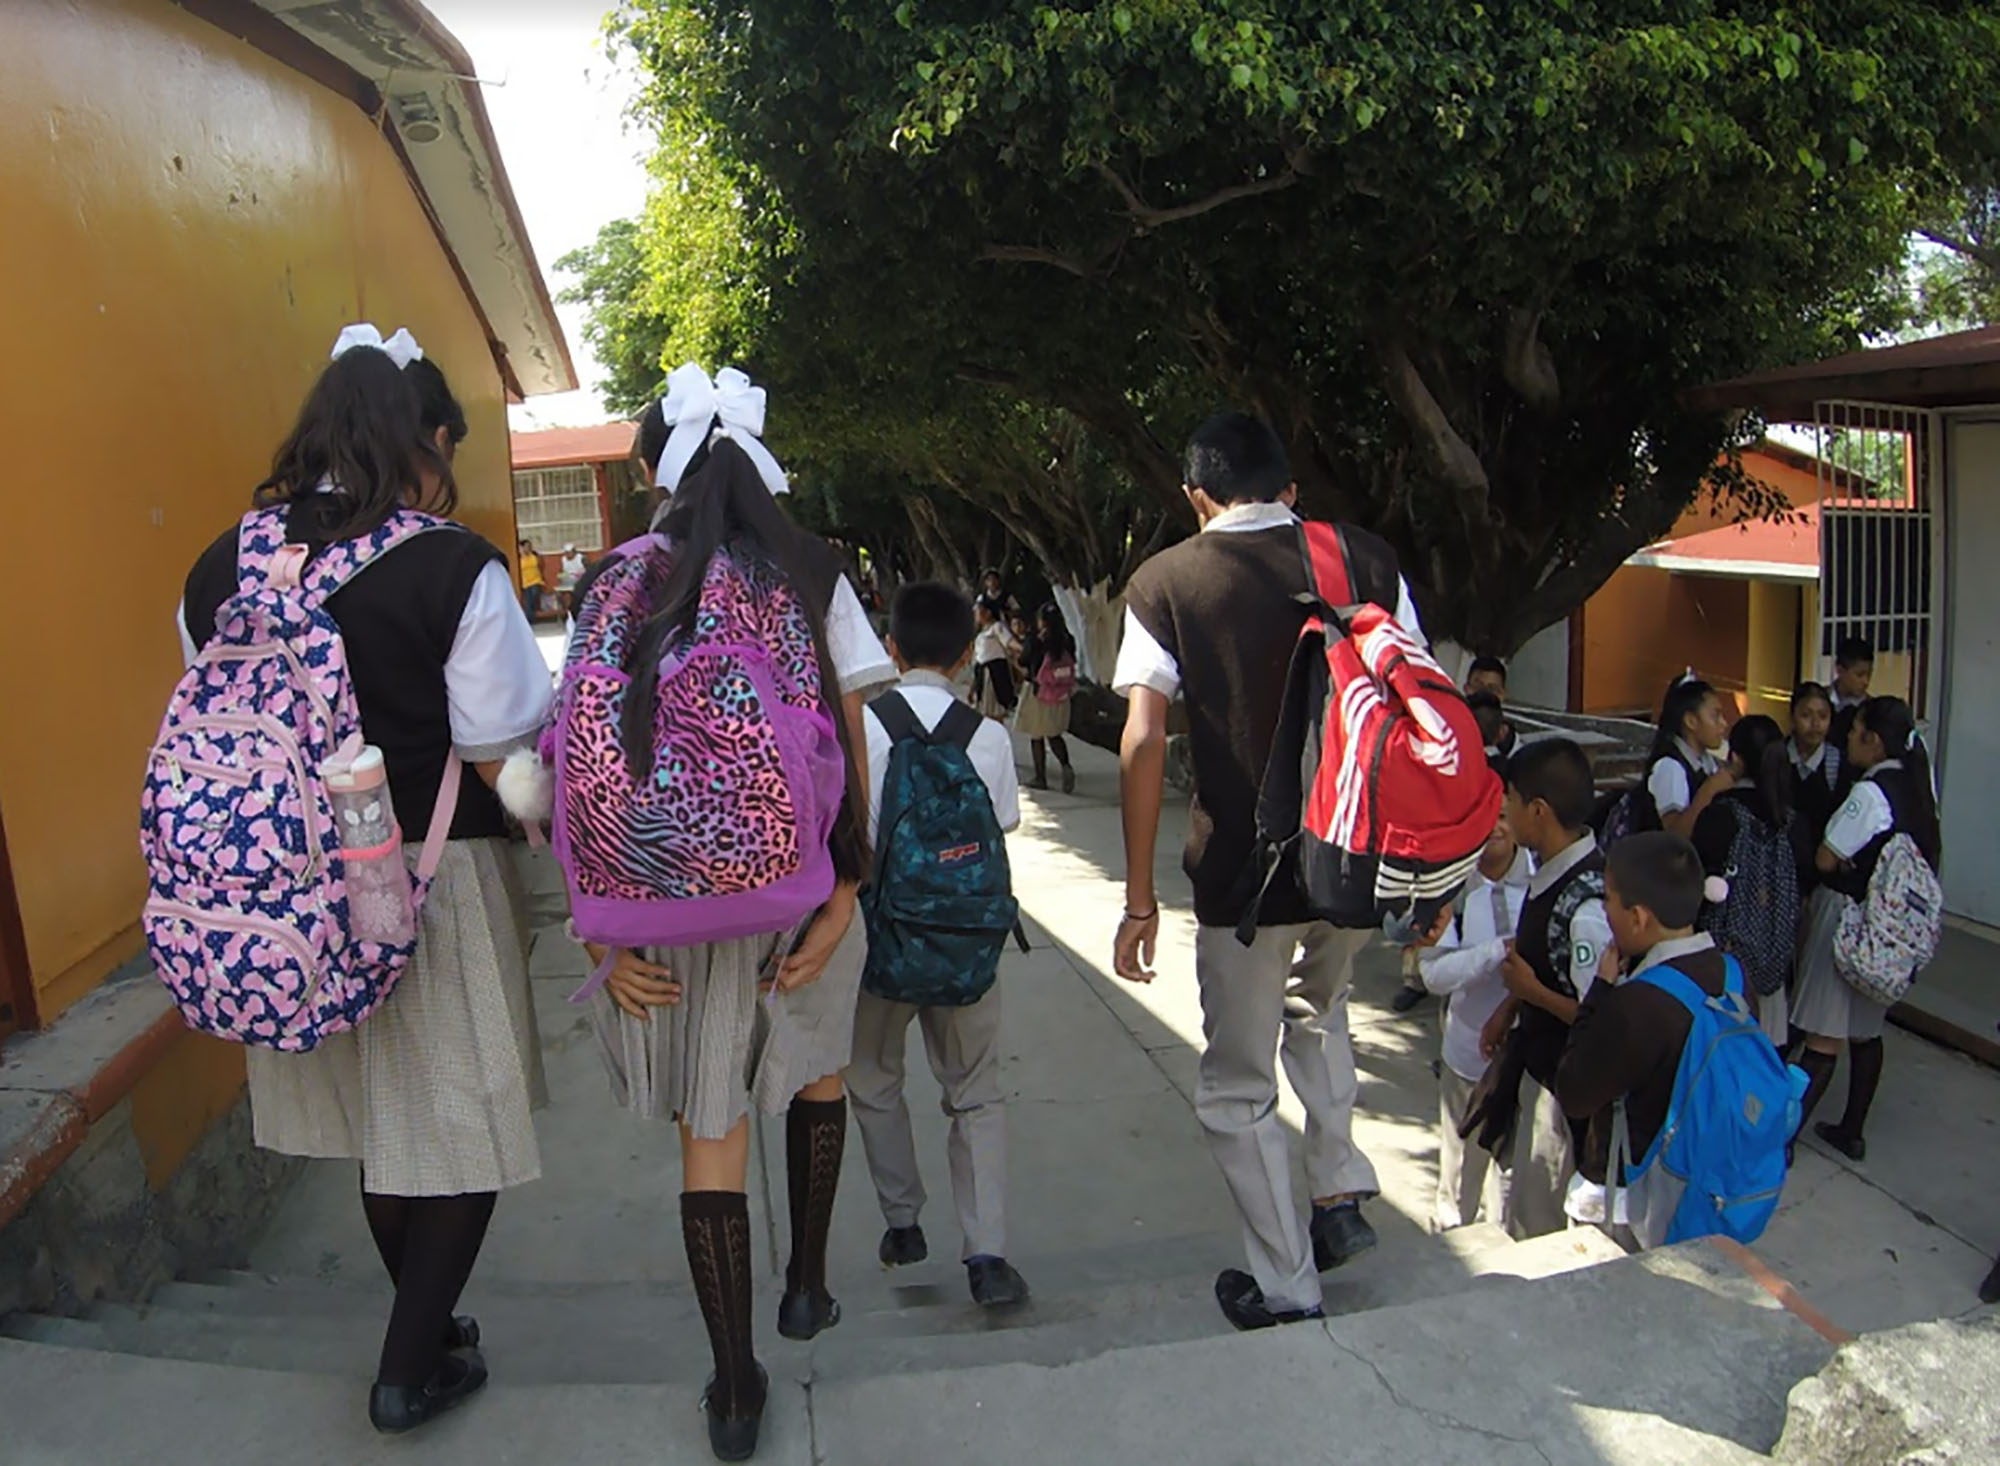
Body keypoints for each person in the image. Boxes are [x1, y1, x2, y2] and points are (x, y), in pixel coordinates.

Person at [177, 329, 552, 1433]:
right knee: (459, 1126)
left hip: (280, 894)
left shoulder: (217, 566)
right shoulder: (453, 562)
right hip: (432, 883)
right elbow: (502, 752)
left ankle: (428, 1331)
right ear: (419, 442)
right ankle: (404, 1369)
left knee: (381, 1128)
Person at [579, 372, 894, 1461]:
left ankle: (733, 1385)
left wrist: (600, 925)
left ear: (656, 471)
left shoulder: (620, 581)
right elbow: (857, 739)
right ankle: (805, 1285)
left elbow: (576, 760)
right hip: (795, 880)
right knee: (815, 1071)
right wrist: (846, 885)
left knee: (709, 1134)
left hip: (666, 898)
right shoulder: (813, 569)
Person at [1112, 412, 1425, 1330]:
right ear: (1291, 488)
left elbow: (1141, 737)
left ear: (1195, 496)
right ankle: (1336, 1185)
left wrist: (1139, 900)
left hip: (1246, 878)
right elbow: (1421, 699)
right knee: (1321, 1011)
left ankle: (1286, 1280)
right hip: (1357, 861)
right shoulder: (1368, 557)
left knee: (1237, 1087)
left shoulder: (1167, 580)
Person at [845, 582, 1029, 1307]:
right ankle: (987, 1254)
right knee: (975, 1092)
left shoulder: (862, 727)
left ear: (889, 649)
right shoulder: (985, 734)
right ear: (963, 654)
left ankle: (903, 1221)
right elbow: (1004, 826)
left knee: (873, 1078)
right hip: (965, 944)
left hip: (878, 940)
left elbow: (850, 833)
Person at [1790, 696, 1942, 1164]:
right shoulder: (1918, 785)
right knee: (1865, 1031)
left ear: (1873, 741)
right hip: (1888, 930)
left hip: (1850, 920)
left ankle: (1781, 1140)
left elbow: (1826, 856)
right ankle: (1851, 1129)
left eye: (1854, 731)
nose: (1847, 739)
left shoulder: (1870, 793)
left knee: (1821, 1036)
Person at [1476, 738, 1614, 1239]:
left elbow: (1596, 1017)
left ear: (1537, 810)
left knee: (1541, 1222)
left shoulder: (1588, 909)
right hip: (1533, 1061)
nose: (1505, 811)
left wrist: (1530, 994)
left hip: (1560, 1094)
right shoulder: (1550, 873)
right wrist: (1510, 1006)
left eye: (1510, 800)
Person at [1556, 832, 1728, 1230]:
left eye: (1610, 900)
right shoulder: (1733, 977)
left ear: (1638, 917)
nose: (1605, 910)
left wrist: (1599, 990)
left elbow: (1574, 1091)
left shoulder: (1636, 1004)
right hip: (1705, 1184)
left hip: (1633, 1198)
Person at [1413, 805, 1532, 1232]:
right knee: (1461, 1161)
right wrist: (1497, 951)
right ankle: (1453, 1232)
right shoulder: (1451, 892)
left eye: (1504, 813)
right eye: (1482, 816)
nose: (1496, 827)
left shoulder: (1541, 880)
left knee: (1513, 1167)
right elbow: (1434, 974)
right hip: (1466, 1052)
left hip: (1524, 1054)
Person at [1690, 714, 1797, 1047]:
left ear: (1734, 759)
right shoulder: (1791, 820)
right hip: (1774, 962)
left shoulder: (1721, 814)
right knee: (1765, 1057)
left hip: (1725, 958)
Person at [1644, 674, 1730, 840]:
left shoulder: (1708, 763)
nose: (1724, 723)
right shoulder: (1669, 767)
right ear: (1691, 721)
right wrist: (1710, 789)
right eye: (1715, 716)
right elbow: (1675, 834)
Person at [1016, 602, 1078, 794]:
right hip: (1060, 692)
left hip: (1039, 692)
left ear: (1041, 621)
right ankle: (1066, 765)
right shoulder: (1068, 639)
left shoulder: (1037, 640)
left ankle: (1040, 777)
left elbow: (1024, 660)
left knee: (1037, 735)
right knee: (1053, 733)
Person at [1786, 682, 1841, 893]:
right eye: (1806, 715)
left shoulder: (1836, 762)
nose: (1815, 724)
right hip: (1783, 866)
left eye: (1823, 716)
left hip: (1822, 871)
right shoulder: (1778, 756)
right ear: (1792, 718)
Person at [1826, 635, 1874, 792]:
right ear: (1840, 670)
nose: (1865, 681)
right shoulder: (1820, 700)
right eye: (1859, 675)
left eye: (1869, 675)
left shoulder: (1871, 708)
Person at [970, 601, 1020, 720]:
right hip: (982, 673)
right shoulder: (980, 634)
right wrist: (973, 687)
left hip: (993, 674)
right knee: (984, 713)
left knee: (995, 713)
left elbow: (1009, 642)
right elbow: (978, 658)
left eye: (979, 611)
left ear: (988, 613)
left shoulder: (997, 627)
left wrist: (1022, 649)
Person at [516, 538, 545, 620]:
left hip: (536, 580)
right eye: (525, 546)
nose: (528, 548)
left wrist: (542, 578)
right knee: (528, 600)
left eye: (529, 546)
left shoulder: (534, 556)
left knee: (534, 594)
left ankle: (531, 615)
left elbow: (540, 567)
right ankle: (530, 617)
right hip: (525, 582)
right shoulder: (519, 558)